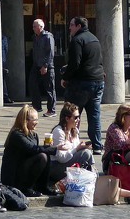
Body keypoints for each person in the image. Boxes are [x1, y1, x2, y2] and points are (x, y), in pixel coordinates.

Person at [60, 16, 105, 153]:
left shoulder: (77, 40)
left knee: (71, 113)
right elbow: (98, 60)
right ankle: (97, 145)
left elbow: (75, 63)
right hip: (97, 81)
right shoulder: (94, 39)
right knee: (94, 115)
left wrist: (65, 77)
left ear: (79, 26)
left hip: (82, 83)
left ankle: (69, 141)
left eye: (71, 25)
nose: (69, 28)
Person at [0, 105, 57, 197]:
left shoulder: (34, 135)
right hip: (13, 176)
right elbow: (31, 149)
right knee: (42, 156)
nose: (37, 122)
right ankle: (25, 189)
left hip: (23, 168)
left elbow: (34, 151)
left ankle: (42, 186)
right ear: (26, 121)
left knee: (45, 154)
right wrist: (54, 149)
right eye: (34, 120)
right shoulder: (17, 134)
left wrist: (47, 148)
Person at [49, 102, 93, 183]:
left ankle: (90, 175)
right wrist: (77, 149)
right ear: (67, 118)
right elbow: (61, 158)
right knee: (86, 153)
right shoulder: (58, 131)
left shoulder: (74, 130)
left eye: (79, 117)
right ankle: (90, 175)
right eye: (75, 117)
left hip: (69, 164)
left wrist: (82, 147)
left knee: (87, 152)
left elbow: (76, 151)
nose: (78, 120)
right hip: (57, 167)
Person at [30, 19, 56, 117]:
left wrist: (45, 65)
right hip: (36, 65)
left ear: (41, 27)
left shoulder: (48, 37)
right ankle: (37, 106)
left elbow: (50, 53)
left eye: (34, 26)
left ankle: (51, 110)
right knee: (32, 84)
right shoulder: (35, 37)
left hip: (47, 66)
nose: (33, 28)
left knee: (49, 88)